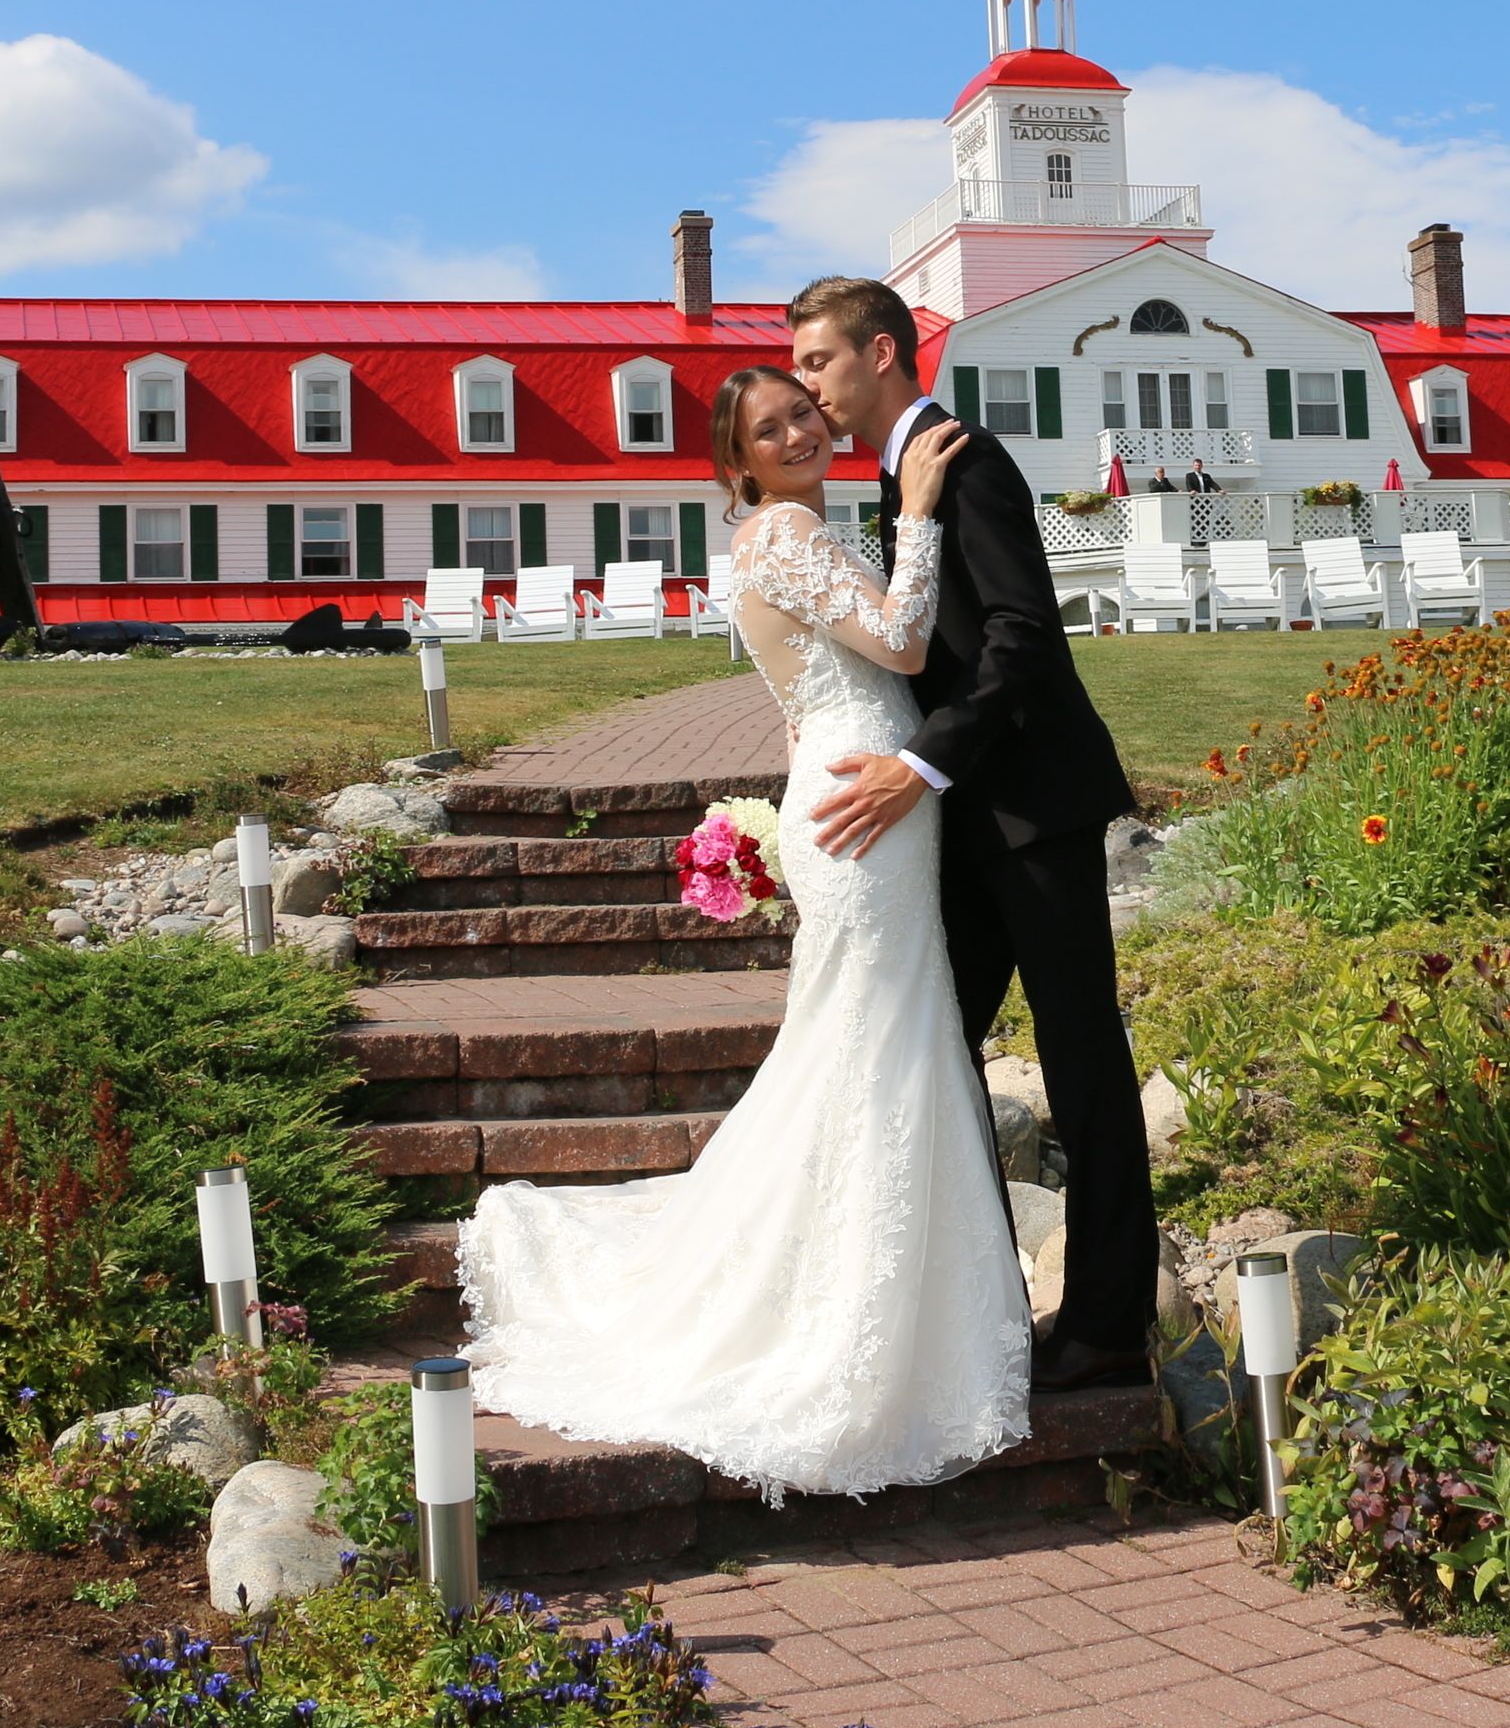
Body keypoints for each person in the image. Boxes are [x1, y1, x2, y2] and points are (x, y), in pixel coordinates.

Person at [457, 366, 1029, 1496]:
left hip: (854, 794)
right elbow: (903, 644)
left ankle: (885, 1292)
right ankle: (845, 1309)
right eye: (771, 429)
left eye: (804, 411)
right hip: (864, 809)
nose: (801, 431)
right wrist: (919, 513)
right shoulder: (784, 534)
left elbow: (830, 687)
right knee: (876, 1040)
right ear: (741, 463)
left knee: (870, 1038)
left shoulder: (782, 534)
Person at [788, 276, 1156, 1391]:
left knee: (1081, 1058)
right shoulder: (902, 473)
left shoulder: (965, 458)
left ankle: (1106, 1327)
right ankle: (972, 1312)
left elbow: (1020, 636)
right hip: (962, 819)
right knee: (933, 1051)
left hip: (1033, 804)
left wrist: (918, 762)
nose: (808, 385)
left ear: (880, 352)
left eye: (818, 360)